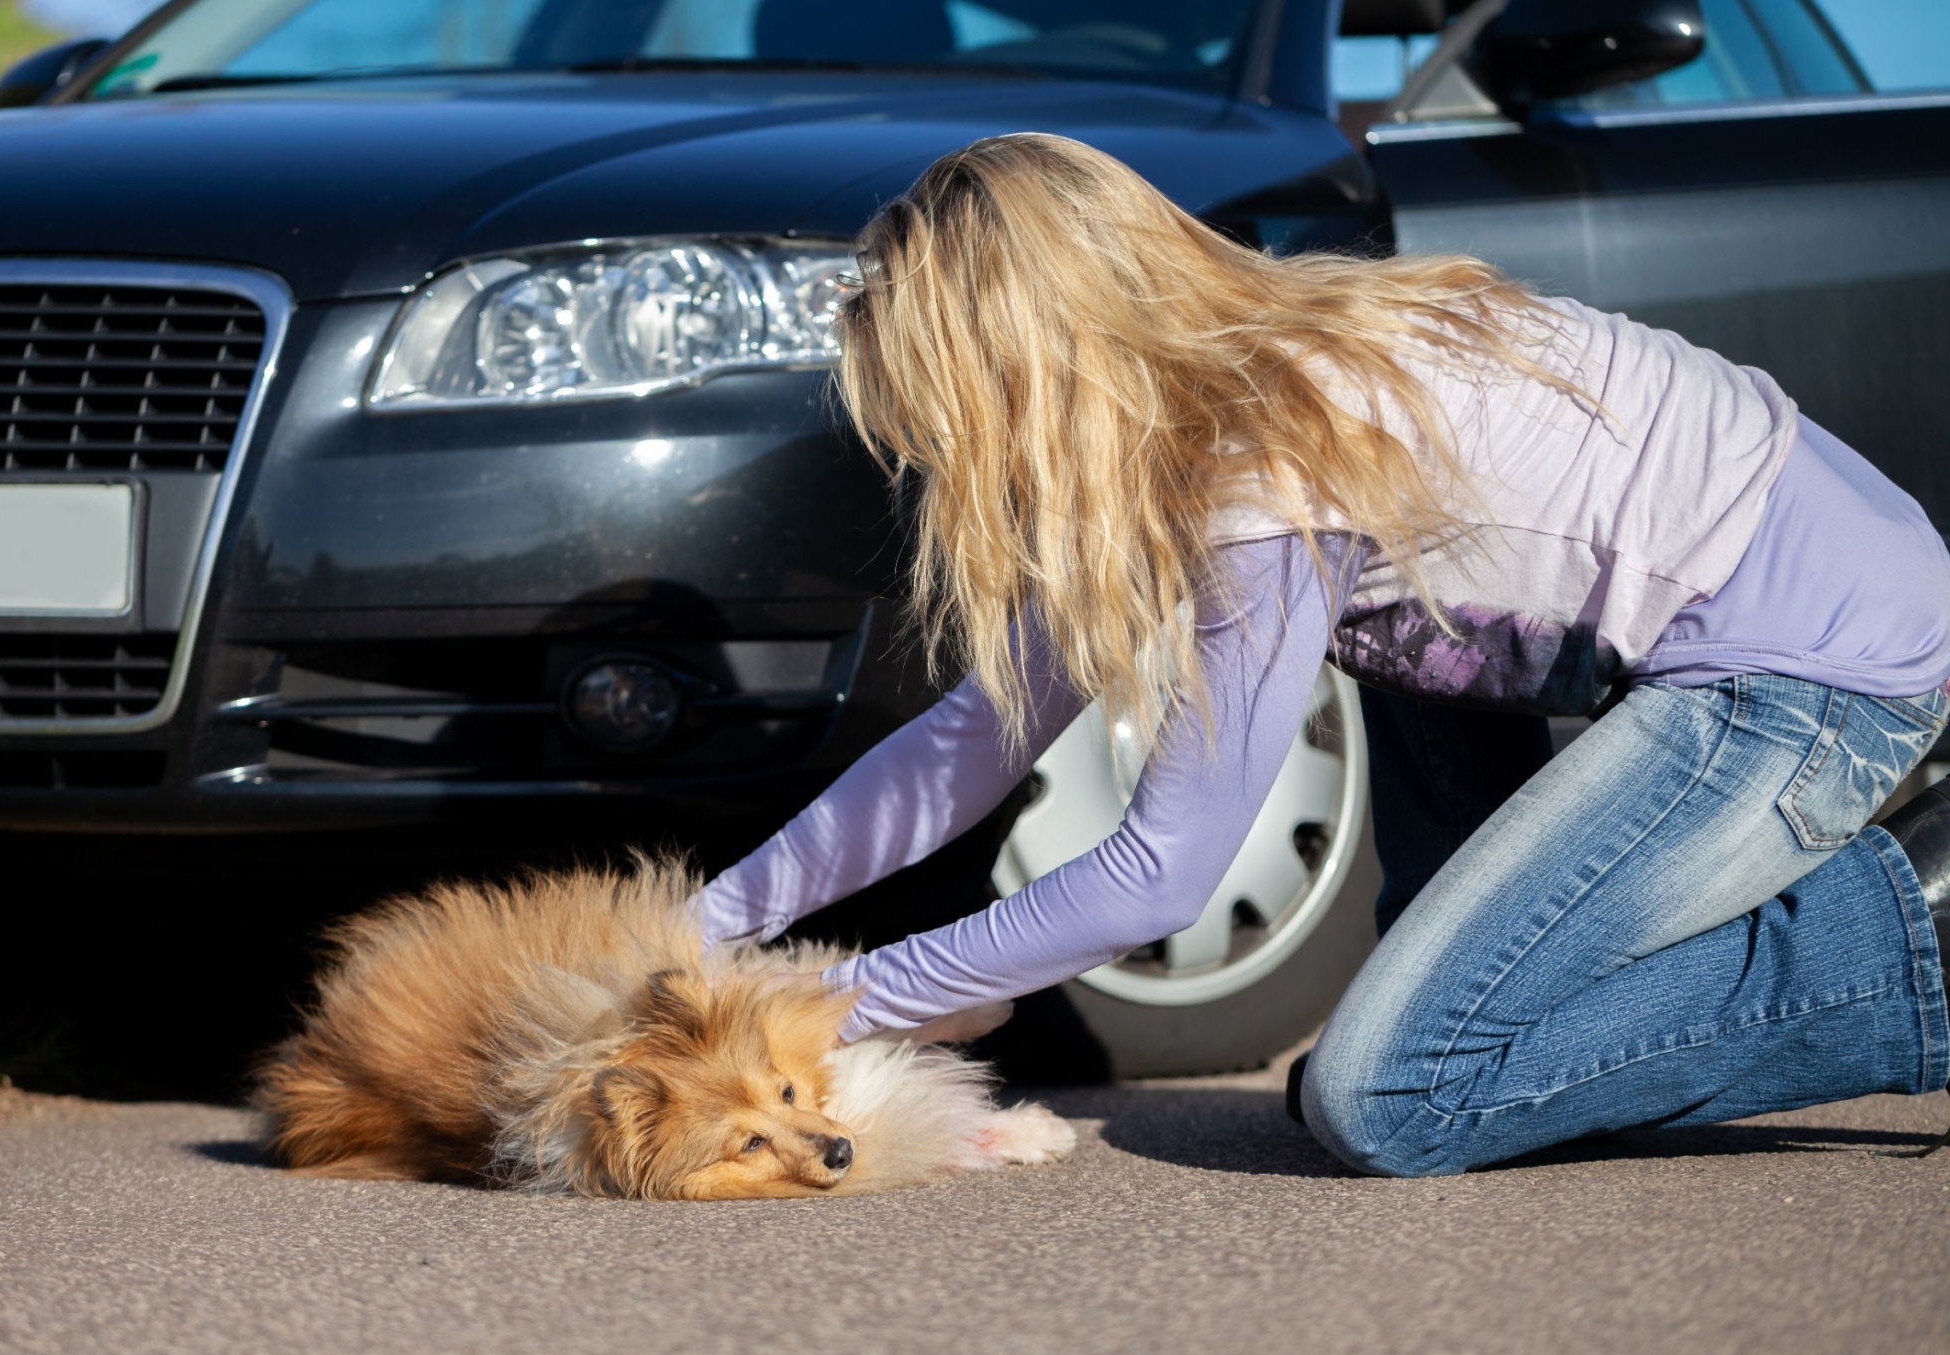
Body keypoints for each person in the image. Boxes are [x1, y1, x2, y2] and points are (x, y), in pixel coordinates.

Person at [698, 133, 1950, 1177]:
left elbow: (1154, 879)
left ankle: (1922, 934)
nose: (951, 462)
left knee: (1391, 1096)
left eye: (953, 421)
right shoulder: (1228, 381)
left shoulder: (1262, 466)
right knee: (1423, 1055)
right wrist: (705, 925)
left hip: (1813, 673)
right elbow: (976, 736)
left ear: (1036, 368)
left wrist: (831, 1007)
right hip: (1790, 607)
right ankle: (1475, 1008)